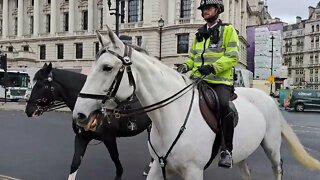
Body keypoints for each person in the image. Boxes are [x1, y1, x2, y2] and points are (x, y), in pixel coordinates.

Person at [177, 0, 239, 168]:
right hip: (198, 80)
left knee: (225, 106)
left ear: (218, 10)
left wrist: (212, 67)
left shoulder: (228, 30)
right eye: (203, 9)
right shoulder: (199, 33)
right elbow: (192, 58)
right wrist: (185, 66)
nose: (205, 11)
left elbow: (233, 56)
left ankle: (227, 150)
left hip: (220, 81)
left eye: (209, 8)